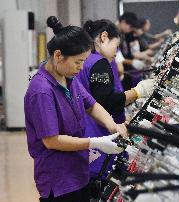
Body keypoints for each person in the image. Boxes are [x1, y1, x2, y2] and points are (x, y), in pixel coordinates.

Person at [24, 16, 128, 202]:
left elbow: (92, 105)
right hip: (59, 179)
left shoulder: (69, 79)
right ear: (58, 56)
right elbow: (52, 140)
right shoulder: (42, 91)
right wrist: (94, 143)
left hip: (79, 170)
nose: (81, 68)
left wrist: (113, 127)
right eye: (78, 62)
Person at [76, 19, 155, 199]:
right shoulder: (99, 62)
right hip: (98, 135)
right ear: (104, 37)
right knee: (98, 187)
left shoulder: (83, 61)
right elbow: (107, 101)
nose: (116, 51)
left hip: (85, 132)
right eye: (116, 45)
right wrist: (138, 91)